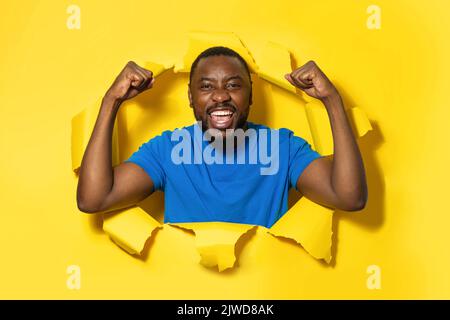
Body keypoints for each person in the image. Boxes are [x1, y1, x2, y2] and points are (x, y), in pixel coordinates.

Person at [76, 46, 367, 228]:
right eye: (206, 87)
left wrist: (331, 100)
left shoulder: (282, 148)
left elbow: (349, 196)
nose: (220, 96)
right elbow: (93, 199)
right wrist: (111, 101)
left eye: (232, 85)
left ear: (250, 95)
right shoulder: (168, 150)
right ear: (191, 97)